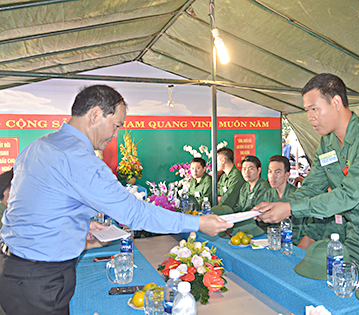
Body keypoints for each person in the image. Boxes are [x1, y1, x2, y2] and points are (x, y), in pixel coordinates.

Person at [0, 85, 233, 315]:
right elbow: (135, 213)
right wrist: (199, 223)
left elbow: (33, 205)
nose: (115, 135)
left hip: (14, 269)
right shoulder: (78, 158)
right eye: (116, 125)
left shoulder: (38, 146)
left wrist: (78, 224)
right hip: (40, 279)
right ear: (95, 115)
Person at [254, 73, 359, 273]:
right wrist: (280, 205)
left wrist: (290, 209)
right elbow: (312, 187)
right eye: (307, 111)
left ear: (336, 102)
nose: (310, 117)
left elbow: (348, 195)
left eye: (314, 109)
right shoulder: (328, 144)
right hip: (358, 239)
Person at [213, 155, 269, 237]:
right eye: (244, 169)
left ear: (259, 170)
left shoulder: (264, 188)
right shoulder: (245, 187)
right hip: (243, 222)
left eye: (251, 168)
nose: (247, 172)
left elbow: (256, 213)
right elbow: (238, 207)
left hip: (257, 227)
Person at [261, 155, 310, 245]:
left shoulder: (296, 196)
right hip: (272, 240)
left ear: (287, 175)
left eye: (278, 172)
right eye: (270, 172)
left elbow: (297, 229)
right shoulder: (268, 194)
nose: (273, 176)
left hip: (292, 242)